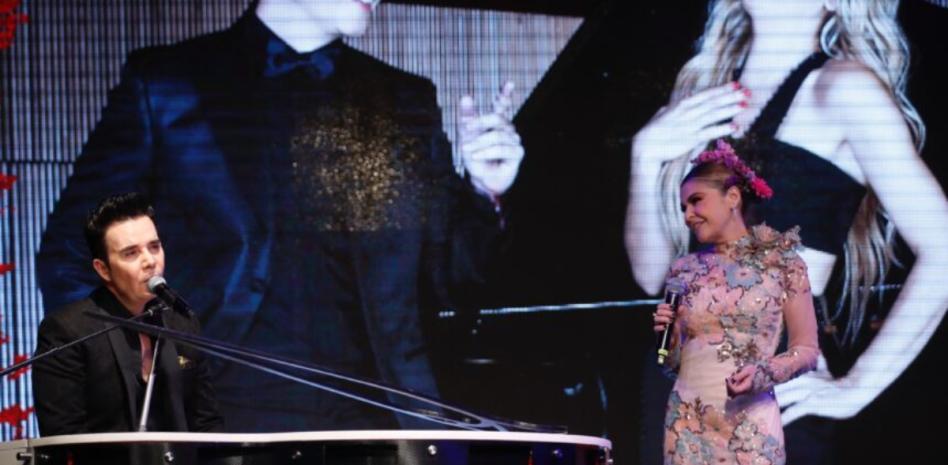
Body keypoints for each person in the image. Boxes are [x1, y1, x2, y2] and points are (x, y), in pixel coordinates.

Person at [35, 0, 524, 431]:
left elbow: (451, 279)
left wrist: (486, 190)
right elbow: (74, 249)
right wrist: (127, 366)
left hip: (379, 416)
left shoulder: (404, 97)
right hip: (216, 414)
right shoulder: (168, 82)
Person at [627, 0, 948, 460]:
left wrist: (855, 388)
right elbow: (650, 274)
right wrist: (644, 158)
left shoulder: (843, 88)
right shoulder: (708, 93)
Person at [651, 141, 819, 465]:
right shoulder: (683, 270)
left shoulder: (783, 263)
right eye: (683, 207)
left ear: (732, 197)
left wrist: (764, 373)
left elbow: (807, 350)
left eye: (696, 201)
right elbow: (671, 364)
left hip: (751, 423)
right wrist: (667, 339)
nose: (688, 215)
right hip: (687, 425)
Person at [32, 192, 224, 436]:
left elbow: (207, 423)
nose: (150, 261)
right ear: (103, 269)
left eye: (155, 247)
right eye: (131, 253)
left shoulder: (182, 322)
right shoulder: (68, 331)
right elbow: (62, 436)